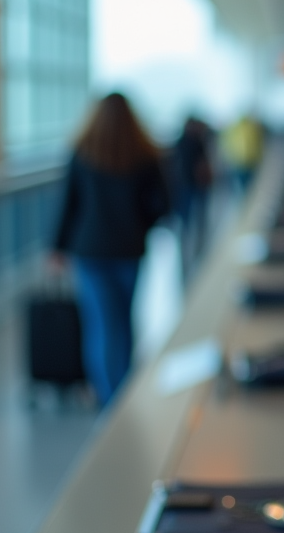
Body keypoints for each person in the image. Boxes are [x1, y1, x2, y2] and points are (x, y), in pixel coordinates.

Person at [53, 93, 170, 406]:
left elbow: (69, 205)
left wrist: (56, 248)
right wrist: (139, 221)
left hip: (89, 251)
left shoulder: (82, 153)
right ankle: (123, 393)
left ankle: (108, 399)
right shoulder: (145, 155)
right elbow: (162, 205)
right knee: (123, 322)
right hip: (129, 248)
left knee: (100, 326)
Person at [171, 116, 214, 280]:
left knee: (194, 219)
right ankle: (192, 248)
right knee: (189, 220)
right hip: (188, 187)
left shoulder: (189, 142)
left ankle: (197, 248)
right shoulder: (186, 142)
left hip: (193, 186)